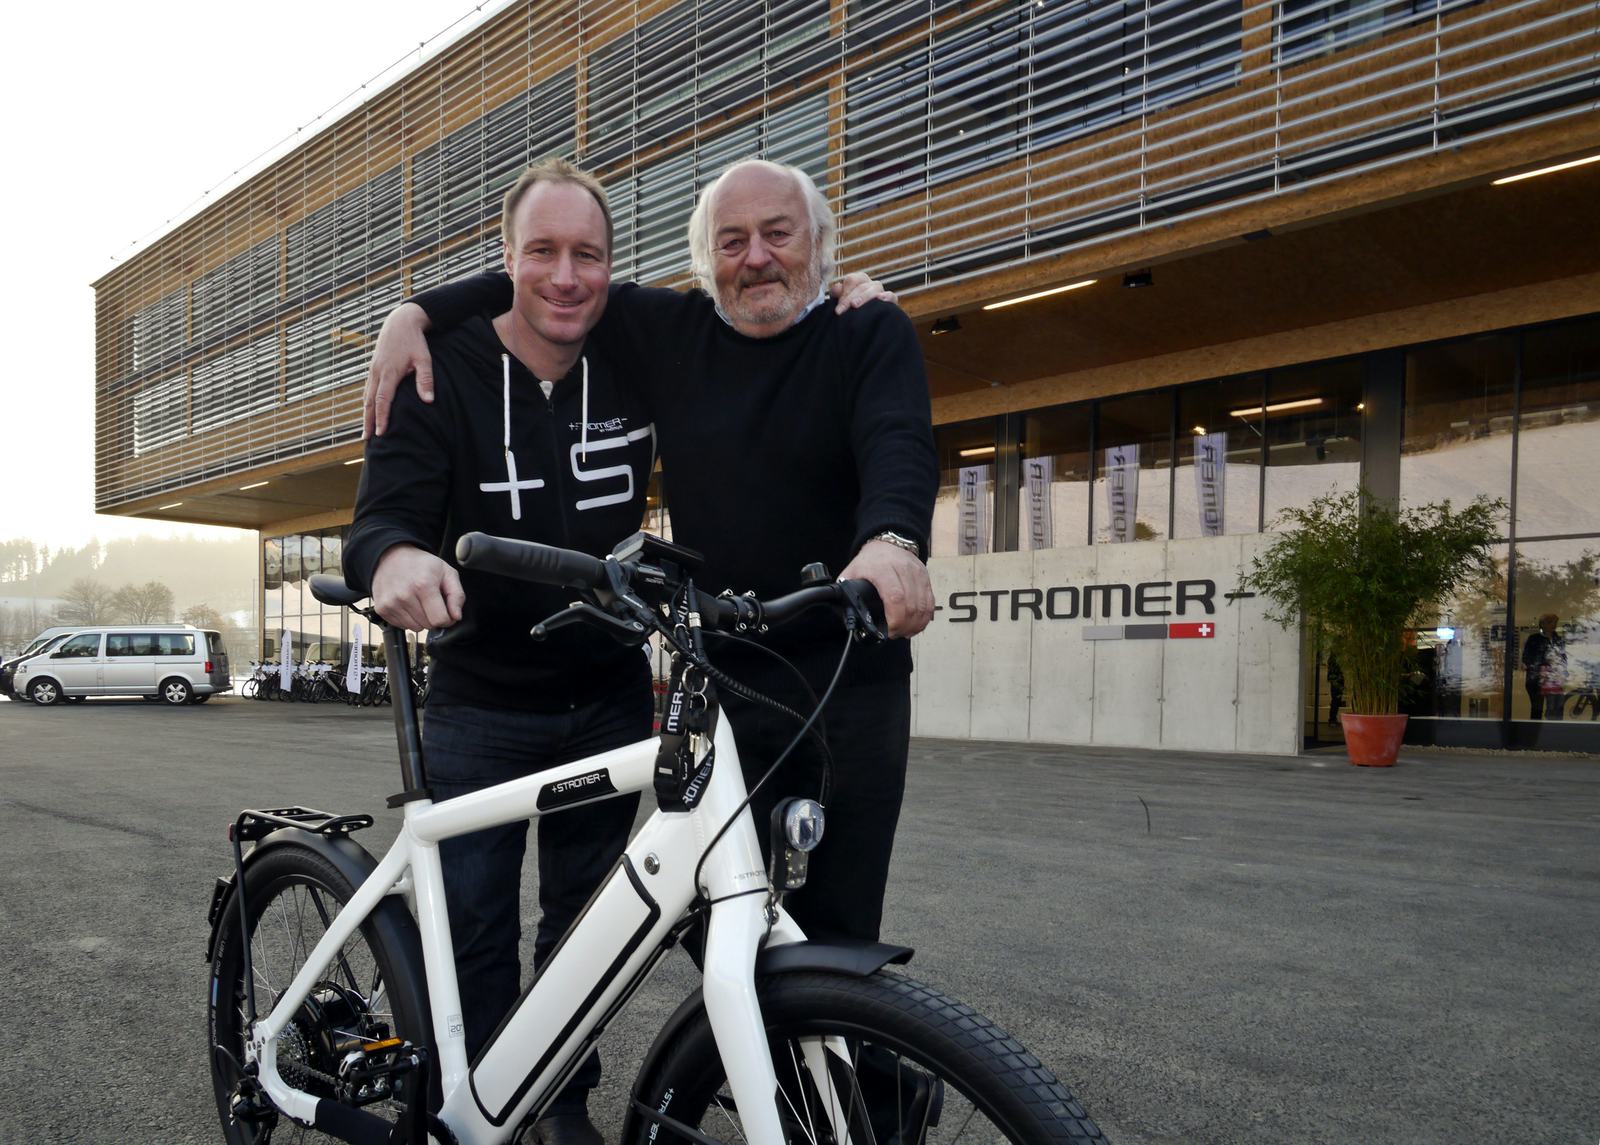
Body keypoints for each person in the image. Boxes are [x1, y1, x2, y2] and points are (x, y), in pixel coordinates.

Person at [365, 157, 938, 955]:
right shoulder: (671, 331)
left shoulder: (866, 329)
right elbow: (548, 281)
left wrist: (893, 540)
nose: (756, 257)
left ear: (821, 244)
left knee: (834, 927)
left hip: (849, 679)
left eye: (778, 234)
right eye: (731, 241)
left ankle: (832, 1043)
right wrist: (412, 313)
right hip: (719, 683)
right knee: (713, 920)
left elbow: (898, 440)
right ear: (706, 259)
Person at [344, 158, 656, 1145]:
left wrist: (846, 300)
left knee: (588, 924)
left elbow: (750, 321)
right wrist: (395, 557)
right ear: (506, 260)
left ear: (612, 265)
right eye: (541, 252)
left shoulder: (638, 349)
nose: (565, 276)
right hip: (481, 698)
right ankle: (482, 1103)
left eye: (587, 254)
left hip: (608, 693)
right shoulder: (439, 369)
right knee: (473, 925)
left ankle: (556, 1100)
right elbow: (377, 520)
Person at [1522, 612, 1567, 720]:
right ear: (1542, 624)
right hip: (1537, 678)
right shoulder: (1534, 639)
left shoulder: (1558, 640)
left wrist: (1562, 670)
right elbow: (1527, 658)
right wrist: (1544, 662)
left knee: (1555, 708)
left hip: (1554, 678)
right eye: (1550, 622)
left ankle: (1552, 729)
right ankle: (1535, 729)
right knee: (1537, 708)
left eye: (1555, 622)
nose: (1553, 625)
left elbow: (1564, 658)